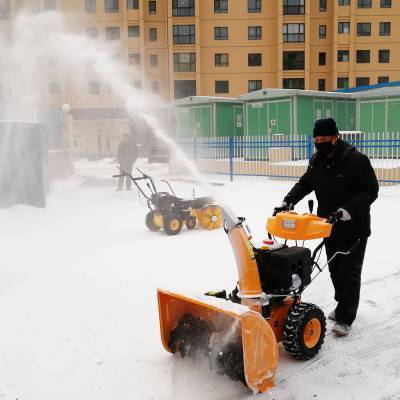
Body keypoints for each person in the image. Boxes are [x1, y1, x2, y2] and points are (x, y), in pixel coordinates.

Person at [278, 118, 379, 336]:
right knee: (334, 269)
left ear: (336, 137)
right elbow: (306, 183)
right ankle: (342, 303)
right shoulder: (317, 160)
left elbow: (371, 190)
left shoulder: (356, 160)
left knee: (349, 272)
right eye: (316, 140)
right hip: (327, 225)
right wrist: (289, 200)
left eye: (324, 139)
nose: (320, 143)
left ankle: (346, 316)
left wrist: (347, 209)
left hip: (354, 227)